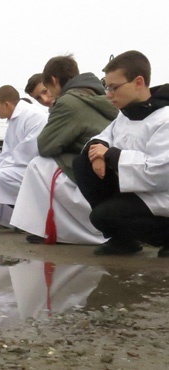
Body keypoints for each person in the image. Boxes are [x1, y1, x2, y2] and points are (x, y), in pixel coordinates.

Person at [10, 55, 119, 244]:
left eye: (47, 89)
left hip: (90, 171)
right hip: (112, 168)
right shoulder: (97, 94)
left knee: (38, 165)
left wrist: (63, 146)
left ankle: (58, 231)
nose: (47, 97)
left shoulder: (69, 101)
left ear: (53, 80)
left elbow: (44, 146)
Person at [72, 50, 169, 257]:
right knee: (82, 164)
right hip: (138, 190)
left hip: (162, 196)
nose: (108, 94)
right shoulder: (126, 114)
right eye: (107, 87)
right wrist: (98, 152)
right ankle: (124, 241)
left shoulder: (164, 118)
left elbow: (160, 171)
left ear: (138, 82)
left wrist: (111, 156)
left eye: (114, 88)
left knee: (103, 216)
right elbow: (104, 136)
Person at [0, 86, 48, 225]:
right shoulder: (14, 120)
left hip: (36, 167)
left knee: (2, 176)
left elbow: (29, 152)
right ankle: (15, 219)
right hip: (20, 165)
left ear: (7, 104)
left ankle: (24, 219)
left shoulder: (34, 115)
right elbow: (6, 153)